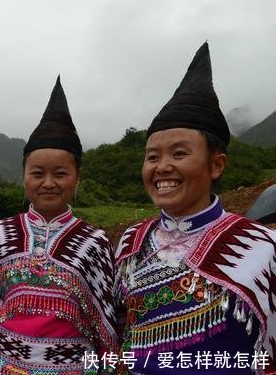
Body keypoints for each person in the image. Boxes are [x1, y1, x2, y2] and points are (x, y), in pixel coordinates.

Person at [115, 42, 276, 374]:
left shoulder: (260, 247)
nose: (162, 167)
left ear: (216, 164)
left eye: (178, 154)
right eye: (153, 156)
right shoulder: (131, 243)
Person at [0, 76, 119, 374]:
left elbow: (108, 322)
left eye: (60, 173)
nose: (48, 183)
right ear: (24, 176)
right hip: (0, 368)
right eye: (38, 173)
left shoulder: (95, 242)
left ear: (77, 178)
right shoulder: (0, 233)